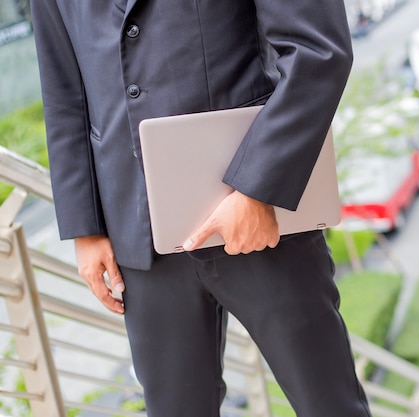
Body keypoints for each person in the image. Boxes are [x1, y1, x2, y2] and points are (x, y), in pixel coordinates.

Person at [30, 2, 372, 417]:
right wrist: (85, 229)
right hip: (140, 238)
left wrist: (257, 189)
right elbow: (64, 94)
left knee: (330, 407)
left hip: (261, 224)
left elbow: (319, 50)